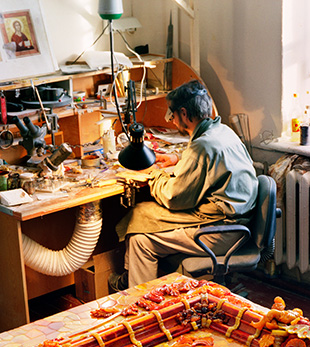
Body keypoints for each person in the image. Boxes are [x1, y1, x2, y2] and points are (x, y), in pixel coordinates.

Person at [109, 80, 258, 290]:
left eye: (173, 115)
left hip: (221, 232)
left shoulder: (202, 146)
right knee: (142, 213)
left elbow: (174, 198)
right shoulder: (223, 132)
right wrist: (177, 158)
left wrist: (155, 175)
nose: (173, 121)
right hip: (241, 224)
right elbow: (206, 160)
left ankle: (142, 303)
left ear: (184, 114)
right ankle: (129, 278)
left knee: (139, 238)